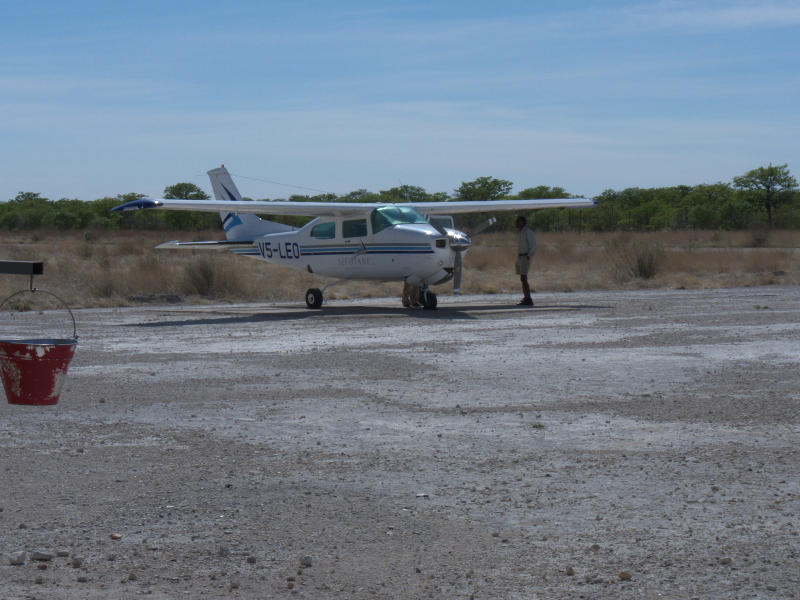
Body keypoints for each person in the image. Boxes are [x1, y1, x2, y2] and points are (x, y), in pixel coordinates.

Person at [515, 215, 537, 306]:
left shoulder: (528, 232)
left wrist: (529, 255)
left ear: (523, 222)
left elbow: (533, 245)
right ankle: (526, 297)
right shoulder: (521, 233)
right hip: (521, 256)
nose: (517, 223)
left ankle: (528, 298)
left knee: (524, 278)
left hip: (525, 256)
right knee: (522, 278)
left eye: (519, 221)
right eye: (517, 221)